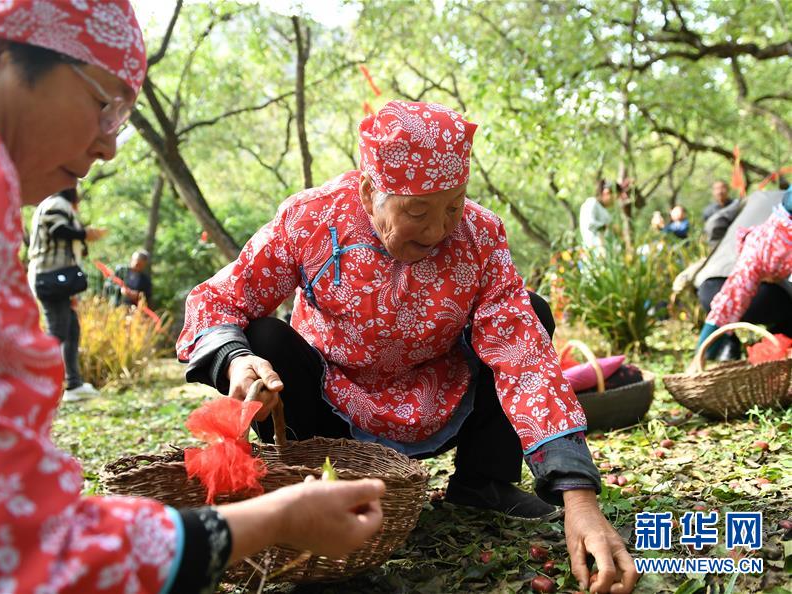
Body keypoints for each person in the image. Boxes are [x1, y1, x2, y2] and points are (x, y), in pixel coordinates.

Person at [0, 4, 384, 593]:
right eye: (105, 105)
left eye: (123, 116)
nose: (111, 148)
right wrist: (272, 519)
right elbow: (0, 540)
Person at [178, 100, 639, 594]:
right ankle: (311, 490)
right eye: (418, 210)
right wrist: (237, 359)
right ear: (369, 190)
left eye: (454, 206)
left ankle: (482, 482)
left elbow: (522, 356)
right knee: (264, 337)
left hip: (439, 391)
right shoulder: (310, 219)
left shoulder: (480, 235)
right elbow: (217, 298)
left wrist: (579, 498)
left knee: (531, 309)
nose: (440, 229)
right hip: (331, 400)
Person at [693, 188, 792, 360]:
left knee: (727, 306)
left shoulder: (758, 231)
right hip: (766, 294)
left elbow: (715, 224)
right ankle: (770, 347)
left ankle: (719, 350)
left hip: (709, 286)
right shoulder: (769, 245)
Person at [28, 187, 105, 400]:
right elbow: (58, 230)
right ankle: (41, 383)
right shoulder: (56, 203)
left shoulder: (55, 205)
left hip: (58, 277)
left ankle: (73, 384)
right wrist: (85, 234)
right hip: (51, 275)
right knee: (58, 332)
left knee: (71, 329)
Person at [578, 179, 614, 251]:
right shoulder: (591, 203)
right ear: (606, 192)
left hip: (605, 250)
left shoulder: (604, 209)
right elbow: (590, 224)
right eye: (614, 197)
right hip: (595, 249)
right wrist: (607, 226)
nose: (614, 201)